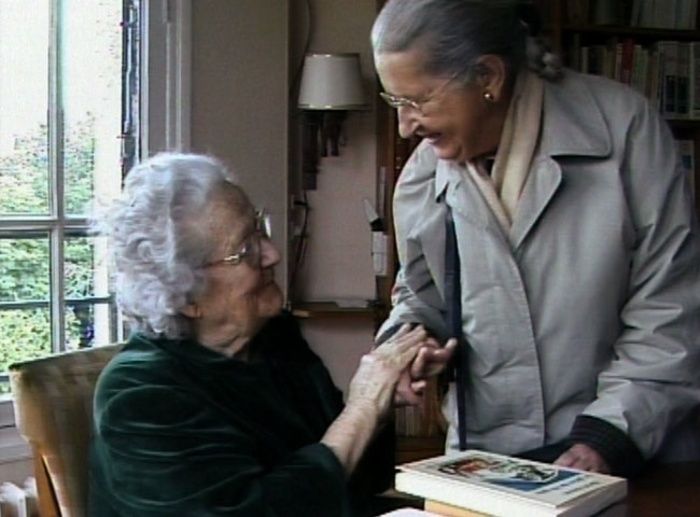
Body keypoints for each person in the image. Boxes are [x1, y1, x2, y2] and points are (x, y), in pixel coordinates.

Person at [372, 0, 700, 478]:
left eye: (417, 101)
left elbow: (672, 307)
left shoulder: (624, 130)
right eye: (395, 103)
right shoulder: (425, 173)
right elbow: (419, 297)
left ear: (488, 77)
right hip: (489, 464)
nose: (405, 126)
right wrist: (406, 347)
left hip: (630, 453)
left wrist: (610, 435)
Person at [88, 152, 433, 516]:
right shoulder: (141, 396)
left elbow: (355, 482)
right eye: (246, 249)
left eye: (260, 230)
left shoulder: (273, 338)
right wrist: (362, 408)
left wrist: (381, 401)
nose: (272, 254)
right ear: (186, 295)